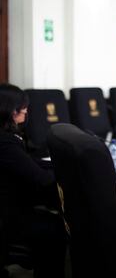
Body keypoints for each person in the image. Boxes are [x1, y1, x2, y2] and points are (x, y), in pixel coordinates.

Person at [0, 83, 66, 278]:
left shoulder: (8, 137)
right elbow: (41, 181)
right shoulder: (5, 143)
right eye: (22, 106)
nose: (26, 110)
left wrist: (60, 166)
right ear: (8, 109)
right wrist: (65, 178)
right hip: (9, 216)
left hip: (10, 206)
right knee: (55, 229)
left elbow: (28, 163)